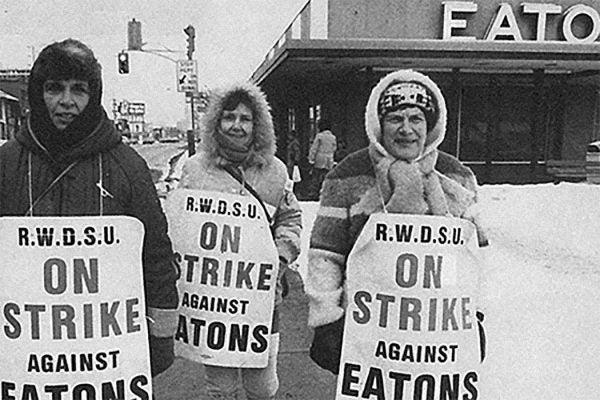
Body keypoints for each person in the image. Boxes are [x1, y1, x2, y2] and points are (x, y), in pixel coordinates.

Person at [0, 39, 179, 377]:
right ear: (39, 94)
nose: (66, 102)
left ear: (93, 95)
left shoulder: (127, 166)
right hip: (24, 353)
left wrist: (159, 338)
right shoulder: (7, 163)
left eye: (78, 90)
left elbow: (155, 254)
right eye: (54, 89)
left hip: (105, 354)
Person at [306, 69, 488, 374]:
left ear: (430, 125)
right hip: (366, 338)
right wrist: (327, 320)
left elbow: (475, 259)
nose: (406, 129)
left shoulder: (457, 177)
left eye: (415, 118)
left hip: (437, 339)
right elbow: (325, 255)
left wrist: (476, 317)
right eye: (395, 119)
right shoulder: (347, 175)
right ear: (379, 124)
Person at [179, 81, 302, 400]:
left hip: (261, 301)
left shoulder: (275, 171)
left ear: (257, 124)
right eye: (228, 117)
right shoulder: (194, 169)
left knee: (262, 385)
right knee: (219, 387)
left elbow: (291, 219)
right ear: (215, 122)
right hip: (212, 302)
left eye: (245, 118)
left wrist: (279, 256)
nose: (236, 125)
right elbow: (180, 226)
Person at [308, 119, 337, 198]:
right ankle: (326, 192)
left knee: (316, 176)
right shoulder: (333, 137)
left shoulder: (319, 136)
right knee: (326, 176)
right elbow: (334, 148)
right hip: (329, 159)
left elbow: (314, 148)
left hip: (319, 158)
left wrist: (311, 159)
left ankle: (314, 192)